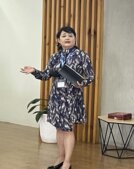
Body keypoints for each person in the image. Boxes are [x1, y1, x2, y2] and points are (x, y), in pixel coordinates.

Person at [21, 26, 94, 169]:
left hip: (71, 97)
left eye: (71, 35)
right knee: (59, 129)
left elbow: (90, 76)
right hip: (56, 97)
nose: (67, 38)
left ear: (75, 39)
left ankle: (67, 163)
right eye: (64, 36)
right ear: (58, 40)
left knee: (67, 129)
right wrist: (34, 71)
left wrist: (82, 83)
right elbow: (45, 75)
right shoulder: (55, 57)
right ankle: (60, 158)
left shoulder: (82, 55)